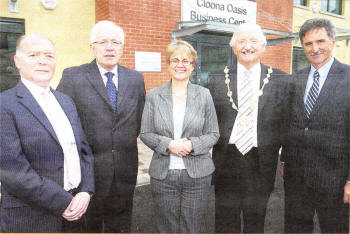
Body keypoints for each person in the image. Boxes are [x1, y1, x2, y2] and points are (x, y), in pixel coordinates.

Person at [0, 33, 94, 233]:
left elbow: (84, 151)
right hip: (32, 217)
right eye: (33, 55)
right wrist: (64, 202)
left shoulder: (66, 101)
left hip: (76, 211)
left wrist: (86, 191)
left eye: (49, 56)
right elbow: (14, 171)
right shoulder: (4, 105)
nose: (42, 61)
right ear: (17, 61)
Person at [57, 20, 145, 233]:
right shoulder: (73, 76)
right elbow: (62, 122)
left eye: (116, 42)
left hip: (124, 171)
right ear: (92, 47)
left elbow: (138, 120)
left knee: (121, 226)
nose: (109, 47)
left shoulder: (135, 78)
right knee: (90, 228)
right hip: (88, 174)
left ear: (123, 47)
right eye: (103, 42)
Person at [208, 23, 288, 233]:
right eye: (241, 41)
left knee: (255, 221)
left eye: (253, 41)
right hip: (227, 159)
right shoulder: (217, 78)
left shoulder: (280, 80)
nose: (247, 46)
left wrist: (285, 157)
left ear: (263, 46)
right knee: (225, 222)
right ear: (234, 47)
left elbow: (285, 124)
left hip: (260, 161)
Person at [140, 40, 219, 233]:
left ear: (193, 66)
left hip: (197, 175)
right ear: (168, 64)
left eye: (186, 60)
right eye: (175, 60)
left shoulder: (204, 95)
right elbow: (146, 133)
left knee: (191, 227)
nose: (180, 65)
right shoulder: (154, 95)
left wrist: (192, 144)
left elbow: (213, 133)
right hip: (163, 175)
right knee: (166, 228)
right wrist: (169, 145)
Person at [280, 18, 350, 233]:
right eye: (308, 43)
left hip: (335, 179)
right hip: (296, 177)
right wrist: (284, 159)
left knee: (334, 229)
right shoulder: (295, 79)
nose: (315, 48)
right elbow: (288, 123)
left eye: (320, 41)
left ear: (333, 41)